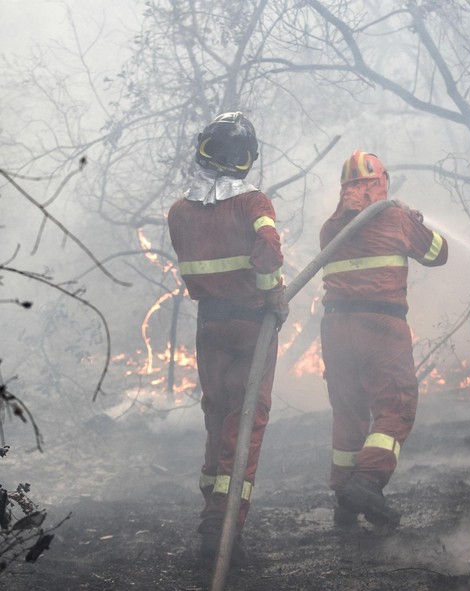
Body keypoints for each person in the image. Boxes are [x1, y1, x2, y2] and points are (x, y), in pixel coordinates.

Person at [167, 112, 289, 566]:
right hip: (251, 326)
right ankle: (224, 524)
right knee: (246, 418)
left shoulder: (179, 211)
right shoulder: (254, 204)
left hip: (209, 325)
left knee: (216, 414)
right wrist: (273, 295)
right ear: (247, 160)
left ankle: (210, 515)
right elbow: (269, 253)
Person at [319, 149, 448, 528]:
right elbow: (438, 254)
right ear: (380, 185)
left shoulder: (329, 230)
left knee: (349, 412)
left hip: (336, 328)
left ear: (346, 190)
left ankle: (345, 499)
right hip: (380, 325)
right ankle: (367, 481)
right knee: (396, 406)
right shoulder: (396, 219)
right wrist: (414, 219)